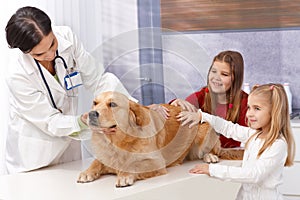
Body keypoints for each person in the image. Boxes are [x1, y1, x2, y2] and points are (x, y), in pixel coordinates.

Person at [4, 6, 139, 174]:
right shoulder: (17, 73)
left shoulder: (66, 38)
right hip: (35, 156)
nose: (51, 55)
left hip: (69, 151)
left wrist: (135, 109)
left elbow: (98, 80)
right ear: (25, 52)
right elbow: (50, 121)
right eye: (40, 54)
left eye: (52, 44)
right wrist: (83, 121)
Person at [177, 83, 295, 199]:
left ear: (274, 112)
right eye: (249, 107)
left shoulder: (278, 144)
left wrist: (212, 170)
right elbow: (228, 128)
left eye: (257, 108)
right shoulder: (253, 135)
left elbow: (254, 175)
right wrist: (202, 116)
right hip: (245, 195)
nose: (249, 114)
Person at [171, 50, 248, 148]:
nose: (216, 77)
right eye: (214, 71)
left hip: (231, 157)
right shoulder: (200, 96)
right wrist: (175, 104)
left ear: (235, 79)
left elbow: (245, 136)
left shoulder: (245, 103)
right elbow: (175, 123)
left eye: (224, 74)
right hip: (201, 157)